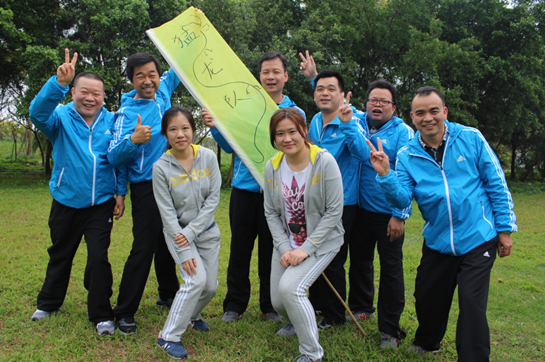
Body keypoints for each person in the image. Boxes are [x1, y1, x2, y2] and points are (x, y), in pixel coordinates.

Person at [368, 86, 517, 361]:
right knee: (427, 296)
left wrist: (505, 231)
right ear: (412, 117)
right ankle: (428, 342)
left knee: (471, 302)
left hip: (478, 237)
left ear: (444, 112)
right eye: (421, 113)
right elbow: (402, 197)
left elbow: (496, 183)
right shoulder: (407, 154)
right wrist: (386, 175)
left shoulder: (470, 138)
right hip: (438, 240)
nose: (428, 118)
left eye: (434, 111)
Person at [202, 51, 305, 323]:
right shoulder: (244, 107)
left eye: (276, 72)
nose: (270, 77)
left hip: (278, 195)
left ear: (286, 75)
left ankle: (270, 306)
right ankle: (234, 305)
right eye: (265, 72)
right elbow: (228, 146)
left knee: (271, 251)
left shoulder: (295, 113)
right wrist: (215, 127)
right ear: (258, 76)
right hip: (245, 191)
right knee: (240, 249)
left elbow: (301, 152)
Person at [29, 49, 126, 335]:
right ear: (73, 92)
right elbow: (36, 112)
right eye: (84, 91)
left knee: (98, 258)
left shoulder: (112, 121)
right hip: (66, 200)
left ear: (103, 97)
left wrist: (120, 193)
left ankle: (101, 314)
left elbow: (118, 159)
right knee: (61, 253)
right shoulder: (59, 117)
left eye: (96, 94)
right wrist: (56, 83)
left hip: (101, 204)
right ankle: (48, 303)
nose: (90, 98)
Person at [337, 78, 414, 349]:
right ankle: (361, 307)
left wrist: (399, 214)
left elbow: (407, 177)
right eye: (373, 100)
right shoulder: (359, 121)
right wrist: (315, 77)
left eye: (384, 101)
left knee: (391, 270)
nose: (377, 105)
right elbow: (334, 99)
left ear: (394, 106)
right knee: (360, 261)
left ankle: (389, 330)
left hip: (388, 214)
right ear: (366, 103)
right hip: (361, 209)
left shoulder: (403, 133)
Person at [108, 52, 181, 334]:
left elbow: (178, 68)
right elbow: (114, 156)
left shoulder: (162, 91)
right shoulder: (127, 113)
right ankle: (124, 310)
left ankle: (168, 294)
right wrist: (132, 139)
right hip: (146, 187)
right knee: (144, 247)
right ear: (131, 80)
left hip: (174, 183)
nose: (147, 80)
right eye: (140, 75)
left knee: (169, 242)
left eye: (152, 74)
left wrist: (194, 27)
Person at [264, 107, 344, 362]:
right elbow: (271, 213)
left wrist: (305, 249)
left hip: (322, 242)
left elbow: (334, 212)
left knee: (290, 289)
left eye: (292, 131)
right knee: (277, 301)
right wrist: (284, 248)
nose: (287, 138)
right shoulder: (272, 166)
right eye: (279, 134)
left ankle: (312, 353)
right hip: (289, 244)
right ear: (273, 138)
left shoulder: (324, 161)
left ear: (304, 131)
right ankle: (294, 321)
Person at [153, 107, 222, 359]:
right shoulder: (160, 167)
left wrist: (195, 230)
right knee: (195, 281)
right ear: (165, 134)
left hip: (207, 232)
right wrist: (183, 242)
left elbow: (214, 198)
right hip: (179, 235)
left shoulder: (208, 156)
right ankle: (168, 336)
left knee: (211, 287)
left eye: (185, 128)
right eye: (173, 129)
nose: (180, 134)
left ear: (193, 130)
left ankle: (193, 315)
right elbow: (166, 212)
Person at [297, 62, 360, 329]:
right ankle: (319, 307)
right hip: (315, 201)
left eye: (331, 89)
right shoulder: (314, 120)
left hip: (342, 204)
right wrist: (314, 77)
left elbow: (362, 155)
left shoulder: (350, 120)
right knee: (314, 255)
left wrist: (347, 126)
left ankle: (335, 316)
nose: (325, 93)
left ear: (343, 94)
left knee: (333, 259)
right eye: (320, 89)